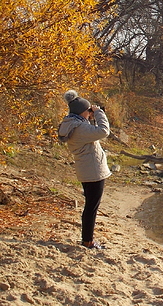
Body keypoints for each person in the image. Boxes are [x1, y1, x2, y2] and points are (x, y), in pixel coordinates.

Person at [58, 90, 111, 249]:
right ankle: (88, 241)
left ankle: (87, 239)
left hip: (86, 170)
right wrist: (99, 113)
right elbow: (104, 131)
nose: (90, 112)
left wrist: (91, 116)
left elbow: (91, 134)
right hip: (93, 171)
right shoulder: (79, 127)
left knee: (90, 206)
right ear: (82, 111)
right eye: (88, 110)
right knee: (91, 208)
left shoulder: (71, 124)